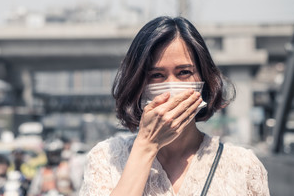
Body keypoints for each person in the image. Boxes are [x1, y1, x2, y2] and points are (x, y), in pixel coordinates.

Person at [80, 16, 270, 195]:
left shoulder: (244, 167)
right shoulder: (107, 158)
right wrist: (146, 145)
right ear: (138, 85)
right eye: (157, 76)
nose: (171, 88)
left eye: (184, 72)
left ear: (204, 79)